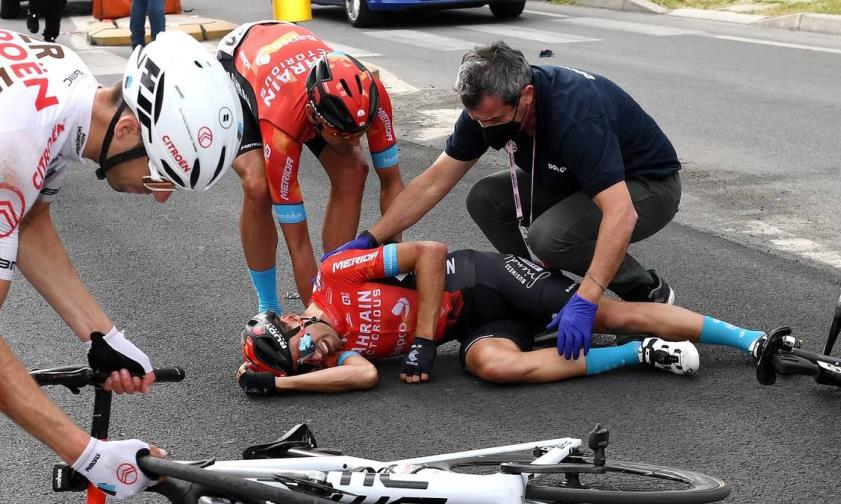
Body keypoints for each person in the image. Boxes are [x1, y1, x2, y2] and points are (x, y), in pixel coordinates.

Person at [326, 41, 684, 363]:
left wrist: (587, 299)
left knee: (550, 237)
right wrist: (370, 238)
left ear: (526, 96)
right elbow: (433, 182)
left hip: (647, 187)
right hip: (573, 180)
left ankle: (645, 291)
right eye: (478, 120)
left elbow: (620, 212)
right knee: (485, 199)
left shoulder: (575, 114)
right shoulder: (484, 111)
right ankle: (539, 297)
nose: (486, 128)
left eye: (495, 120)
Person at [0, 29, 243, 498]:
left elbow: (29, 218)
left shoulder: (65, 87)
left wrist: (103, 335)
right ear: (130, 130)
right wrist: (87, 454)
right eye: (160, 175)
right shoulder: (15, 145)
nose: (160, 196)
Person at [236, 242, 769, 394]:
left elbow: (427, 251)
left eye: (308, 350)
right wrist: (279, 386)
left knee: (609, 313)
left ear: (292, 319)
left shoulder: (334, 276)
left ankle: (750, 340)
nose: (322, 356)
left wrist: (422, 341)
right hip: (474, 326)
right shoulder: (344, 351)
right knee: (496, 367)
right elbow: (363, 374)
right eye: (309, 366)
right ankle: (639, 355)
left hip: (482, 277)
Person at [216, 21, 404, 314]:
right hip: (242, 68)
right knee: (258, 187)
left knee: (354, 169)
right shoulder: (282, 127)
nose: (355, 142)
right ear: (313, 120)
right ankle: (267, 308)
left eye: (361, 133)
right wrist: (320, 318)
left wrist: (396, 267)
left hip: (290, 43)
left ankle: (338, 278)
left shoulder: (373, 96)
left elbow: (392, 183)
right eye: (343, 136)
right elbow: (298, 242)